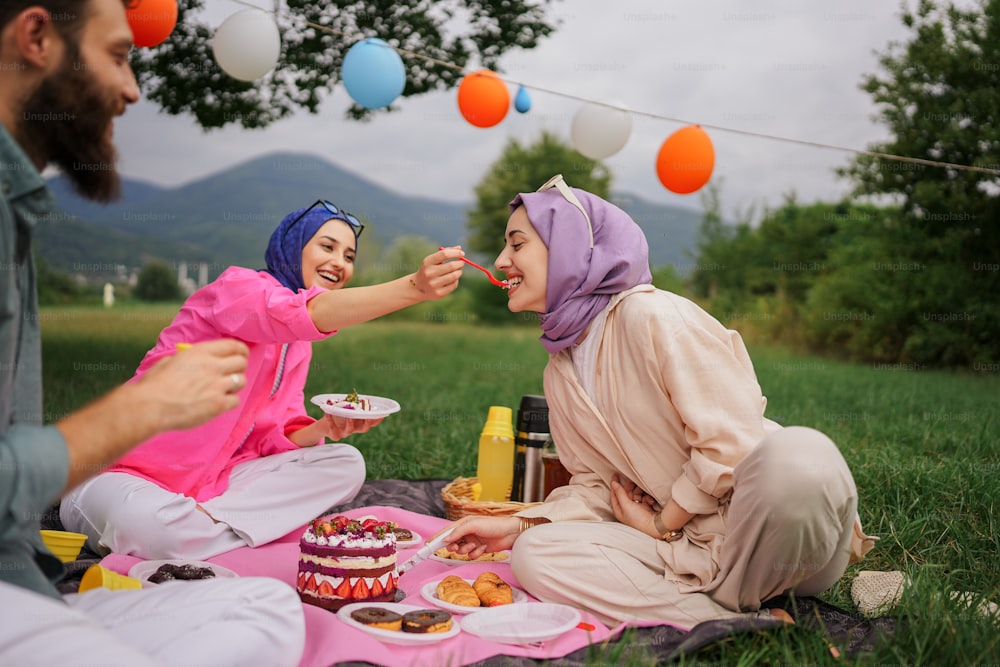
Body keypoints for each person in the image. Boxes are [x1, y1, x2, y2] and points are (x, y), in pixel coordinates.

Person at [0, 1, 307, 665]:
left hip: (31, 578)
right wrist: (139, 409)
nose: (133, 89)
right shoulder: (244, 290)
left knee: (269, 605)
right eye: (116, 55)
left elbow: (271, 434)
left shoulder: (16, 212)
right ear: (36, 36)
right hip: (80, 539)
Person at [443, 175, 877, 628]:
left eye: (517, 244)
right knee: (533, 556)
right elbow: (597, 487)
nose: (501, 260)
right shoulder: (560, 371)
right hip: (683, 552)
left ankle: (715, 600)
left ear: (570, 248)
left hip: (774, 539)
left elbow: (730, 441)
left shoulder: (648, 315)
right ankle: (735, 618)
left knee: (802, 455)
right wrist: (516, 527)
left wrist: (662, 523)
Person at [59, 202, 465, 560]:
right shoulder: (239, 289)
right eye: (327, 247)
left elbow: (271, 441)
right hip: (122, 475)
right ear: (292, 247)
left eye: (349, 255)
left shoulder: (298, 347)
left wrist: (324, 427)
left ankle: (203, 535)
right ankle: (234, 537)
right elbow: (298, 314)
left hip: (211, 491)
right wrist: (414, 287)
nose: (340, 262)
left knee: (345, 463)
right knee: (150, 528)